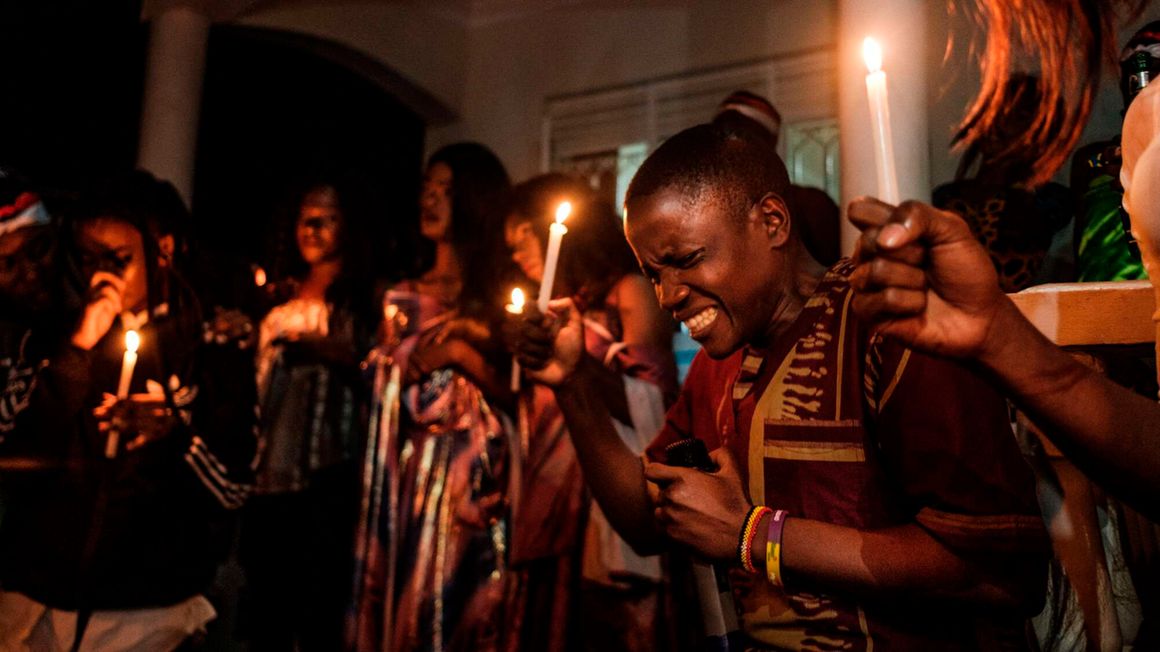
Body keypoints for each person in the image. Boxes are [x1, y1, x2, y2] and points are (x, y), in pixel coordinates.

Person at [512, 122, 1048, 650]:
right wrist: (573, 383)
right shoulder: (720, 363)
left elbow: (998, 573)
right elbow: (646, 522)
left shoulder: (889, 326)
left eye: (686, 260)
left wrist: (753, 536)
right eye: (653, 274)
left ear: (771, 221)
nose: (667, 296)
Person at [0, 171, 257, 651]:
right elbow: (13, 453)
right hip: (33, 596)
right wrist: (75, 353)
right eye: (86, 257)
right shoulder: (52, 334)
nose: (101, 276)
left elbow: (234, 485)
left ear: (164, 249)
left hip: (144, 611)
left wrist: (174, 435)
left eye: (117, 259)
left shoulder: (211, 345)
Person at [499, 174, 678, 651]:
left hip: (606, 492)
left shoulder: (628, 292)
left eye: (523, 239)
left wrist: (580, 367)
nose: (516, 255)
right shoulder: (544, 313)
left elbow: (654, 402)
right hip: (552, 494)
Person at [351, 143, 513, 652]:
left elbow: (517, 394)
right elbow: (381, 395)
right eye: (427, 187)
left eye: (446, 190)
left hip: (477, 470)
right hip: (410, 468)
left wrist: (463, 354)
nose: (431, 200)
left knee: (468, 601)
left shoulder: (501, 294)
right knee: (410, 603)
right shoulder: (401, 295)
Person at [240, 181, 377, 651]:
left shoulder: (360, 299)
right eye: (305, 218)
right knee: (266, 613)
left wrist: (334, 354)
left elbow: (377, 377)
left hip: (328, 477)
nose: (312, 228)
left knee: (318, 612)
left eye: (327, 218)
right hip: (269, 474)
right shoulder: (278, 291)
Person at [932, 75, 1072, 292]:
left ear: (1042, 133)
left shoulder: (1049, 201)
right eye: (998, 110)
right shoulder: (945, 197)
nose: (1001, 123)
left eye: (1021, 116)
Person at [1070, 22, 1160, 282]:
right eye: (1132, 77)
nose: (1141, 88)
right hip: (1094, 302)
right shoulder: (1092, 160)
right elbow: (1083, 245)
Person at [715, 90, 841, 266]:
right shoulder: (714, 210)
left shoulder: (811, 205)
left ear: (767, 145)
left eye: (741, 135)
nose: (729, 149)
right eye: (721, 137)